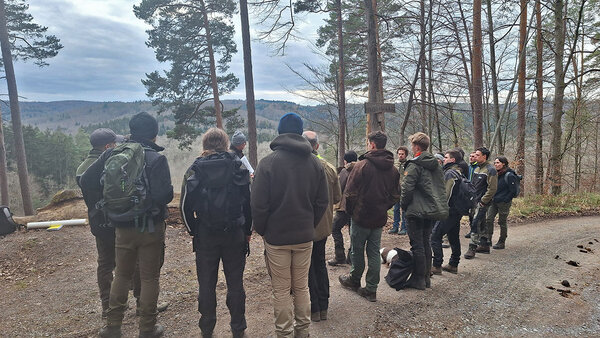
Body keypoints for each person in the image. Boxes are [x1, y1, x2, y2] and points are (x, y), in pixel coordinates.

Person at [82, 112, 173, 338]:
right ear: (154, 134)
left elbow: (86, 181)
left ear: (131, 132)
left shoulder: (112, 154)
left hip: (121, 226)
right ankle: (148, 328)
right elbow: (164, 196)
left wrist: (105, 206)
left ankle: (112, 327)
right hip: (150, 226)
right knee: (149, 277)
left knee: (121, 274)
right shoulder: (156, 159)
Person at [251, 113, 329, 338]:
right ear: (300, 132)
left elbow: (258, 205)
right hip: (305, 236)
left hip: (277, 238)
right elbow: (322, 201)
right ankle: (302, 332)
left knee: (282, 289)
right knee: (302, 286)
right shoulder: (315, 163)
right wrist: (309, 224)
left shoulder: (267, 164)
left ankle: (284, 333)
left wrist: (264, 229)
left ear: (280, 132)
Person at [180, 128, 252, 338]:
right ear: (225, 143)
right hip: (235, 234)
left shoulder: (195, 169)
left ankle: (207, 328)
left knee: (206, 283)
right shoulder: (238, 166)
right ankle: (238, 328)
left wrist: (194, 231)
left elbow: (185, 205)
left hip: (206, 235)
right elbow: (249, 203)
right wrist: (247, 230)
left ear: (205, 145)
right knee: (235, 283)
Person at [339, 131, 400, 302]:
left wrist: (351, 212)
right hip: (379, 217)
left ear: (372, 144)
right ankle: (371, 289)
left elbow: (349, 194)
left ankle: (354, 280)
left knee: (357, 250)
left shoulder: (361, 165)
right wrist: (383, 207)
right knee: (373, 252)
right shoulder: (393, 169)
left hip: (361, 216)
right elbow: (396, 196)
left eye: (368, 143)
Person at [76, 128, 125, 320]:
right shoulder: (111, 164)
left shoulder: (82, 169)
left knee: (105, 264)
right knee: (133, 259)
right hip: (119, 220)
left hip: (98, 222)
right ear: (107, 146)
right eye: (115, 143)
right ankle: (141, 301)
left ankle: (108, 307)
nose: (117, 146)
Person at [400, 132, 448, 290]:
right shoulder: (437, 165)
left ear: (416, 147)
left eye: (412, 145)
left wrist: (404, 205)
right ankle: (426, 278)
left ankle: (418, 279)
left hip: (416, 210)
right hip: (432, 209)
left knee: (417, 245)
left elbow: (407, 189)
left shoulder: (414, 165)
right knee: (426, 242)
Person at [302, 131, 341, 323]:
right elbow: (336, 198)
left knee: (307, 267)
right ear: (316, 146)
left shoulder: (299, 167)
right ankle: (323, 306)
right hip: (323, 224)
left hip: (304, 226)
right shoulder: (329, 168)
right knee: (320, 263)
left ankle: (314, 308)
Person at [431, 150, 464, 274]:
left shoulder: (450, 173)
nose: (444, 159)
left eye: (446, 157)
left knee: (435, 236)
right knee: (453, 236)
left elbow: (447, 194)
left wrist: (440, 209)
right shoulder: (459, 171)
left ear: (452, 160)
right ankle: (453, 264)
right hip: (457, 210)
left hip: (449, 211)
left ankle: (437, 265)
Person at [464, 147, 497, 259]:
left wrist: (483, 201)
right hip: (474, 200)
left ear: (484, 156)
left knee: (476, 223)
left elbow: (492, 188)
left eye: (478, 155)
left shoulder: (490, 170)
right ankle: (484, 245)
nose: (475, 157)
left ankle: (472, 248)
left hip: (482, 201)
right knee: (480, 222)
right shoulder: (477, 168)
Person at [327, 150, 358, 266]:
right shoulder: (361, 169)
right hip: (357, 207)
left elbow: (339, 187)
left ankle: (339, 256)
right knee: (353, 231)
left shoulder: (345, 171)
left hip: (344, 207)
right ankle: (351, 257)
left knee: (335, 228)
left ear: (345, 160)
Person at [485, 156, 519, 250]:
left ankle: (502, 241)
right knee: (489, 219)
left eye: (498, 163)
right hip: (493, 201)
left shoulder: (509, 175)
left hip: (503, 202)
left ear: (503, 163)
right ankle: (488, 240)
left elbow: (513, 191)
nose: (496, 164)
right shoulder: (495, 174)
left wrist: (506, 199)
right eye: (495, 163)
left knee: (502, 221)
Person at [389, 146, 409, 235]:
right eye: (399, 154)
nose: (400, 156)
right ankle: (395, 226)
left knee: (404, 209)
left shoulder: (409, 165)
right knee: (396, 209)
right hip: (395, 190)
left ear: (406, 155)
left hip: (404, 190)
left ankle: (404, 227)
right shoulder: (394, 165)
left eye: (402, 154)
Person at [465, 151, 478, 239]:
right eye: (470, 156)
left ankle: (476, 231)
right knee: (470, 213)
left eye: (473, 156)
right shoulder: (468, 167)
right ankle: (471, 230)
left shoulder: (478, 168)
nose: (471, 158)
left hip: (476, 193)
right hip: (468, 192)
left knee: (475, 214)